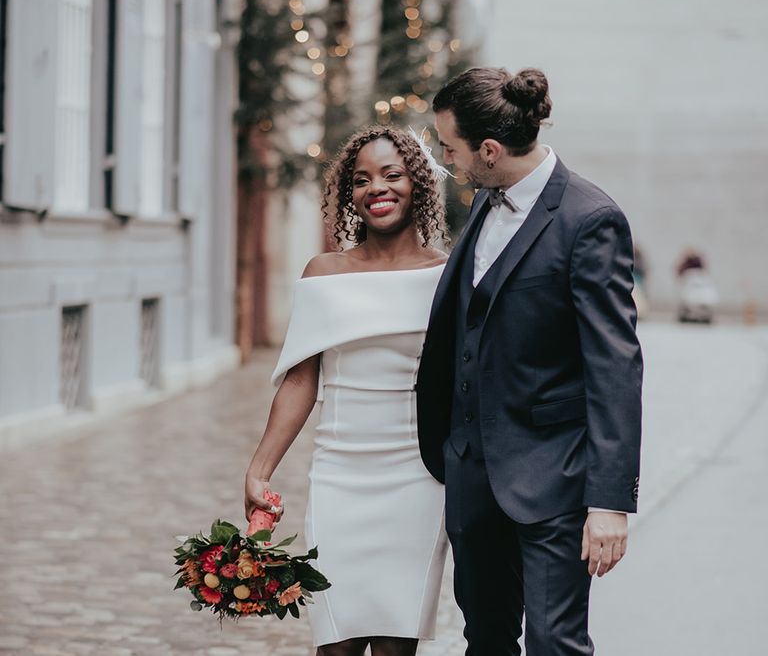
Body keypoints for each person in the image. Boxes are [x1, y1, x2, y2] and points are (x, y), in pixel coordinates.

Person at [416, 67, 643, 655]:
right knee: (485, 638)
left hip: (554, 477)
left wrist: (610, 502)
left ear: (489, 150)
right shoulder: (484, 205)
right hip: (471, 472)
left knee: (553, 642)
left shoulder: (589, 218)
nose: (448, 160)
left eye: (451, 148)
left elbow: (615, 365)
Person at [244, 126, 450, 656]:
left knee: (395, 645)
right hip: (339, 475)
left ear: (418, 183)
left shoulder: (447, 275)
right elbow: (300, 378)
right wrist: (259, 470)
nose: (376, 188)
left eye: (391, 174)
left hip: (418, 478)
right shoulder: (324, 274)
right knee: (335, 644)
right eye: (361, 180)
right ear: (349, 195)